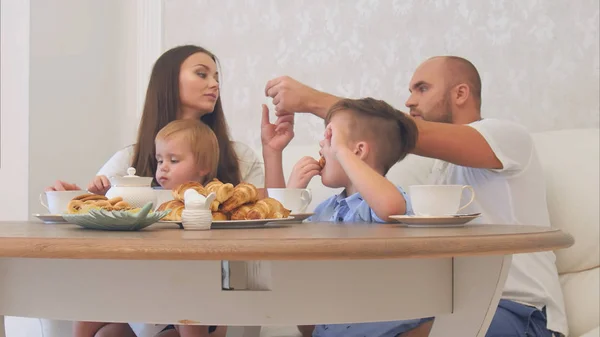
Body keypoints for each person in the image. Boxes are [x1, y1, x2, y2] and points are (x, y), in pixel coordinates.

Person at [263, 56, 567, 337]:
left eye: (422, 88)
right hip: (451, 305)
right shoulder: (437, 171)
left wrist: (314, 102)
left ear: (460, 94)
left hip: (519, 311)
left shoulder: (507, 137)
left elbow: (394, 131)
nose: (409, 100)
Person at [47, 44, 292, 337]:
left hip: (224, 279)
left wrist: (273, 152)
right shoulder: (130, 159)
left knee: (195, 287)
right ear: (168, 83)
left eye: (216, 77)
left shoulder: (238, 156)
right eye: (202, 74)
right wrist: (75, 197)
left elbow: (276, 223)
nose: (214, 84)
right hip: (146, 281)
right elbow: (94, 213)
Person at [263, 97, 436, 337]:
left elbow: (390, 207)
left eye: (330, 136)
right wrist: (290, 192)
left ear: (358, 151)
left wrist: (341, 151)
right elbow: (280, 241)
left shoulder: (383, 201)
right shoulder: (326, 210)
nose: (322, 144)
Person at [75, 119, 221, 337]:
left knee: (188, 301)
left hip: (187, 300)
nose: (163, 167)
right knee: (99, 319)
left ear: (203, 166)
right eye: (160, 159)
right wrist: (100, 194)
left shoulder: (210, 200)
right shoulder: (144, 196)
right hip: (143, 291)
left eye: (174, 160)